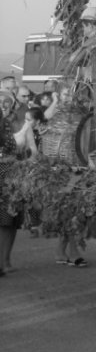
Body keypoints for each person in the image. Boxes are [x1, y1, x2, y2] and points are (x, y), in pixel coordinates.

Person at [0, 90, 20, 275]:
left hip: (9, 176)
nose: (3, 106)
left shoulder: (12, 123)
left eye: (6, 102)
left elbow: (19, 150)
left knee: (8, 221)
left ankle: (5, 261)